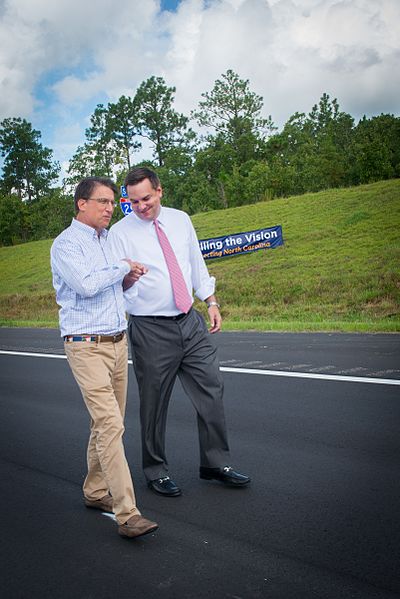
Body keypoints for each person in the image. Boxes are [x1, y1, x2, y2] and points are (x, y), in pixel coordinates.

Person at [108, 167, 250, 497]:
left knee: (212, 388)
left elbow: (194, 262)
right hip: (150, 327)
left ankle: (215, 463)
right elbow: (118, 285)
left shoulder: (180, 219)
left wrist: (211, 301)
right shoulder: (120, 233)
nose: (140, 207)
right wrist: (128, 279)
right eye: (132, 202)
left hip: (190, 320)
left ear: (159, 191)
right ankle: (155, 470)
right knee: (154, 403)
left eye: (146, 198)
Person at [50, 176, 158, 537]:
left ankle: (95, 491)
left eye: (114, 203)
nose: (111, 208)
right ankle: (127, 514)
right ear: (82, 203)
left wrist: (128, 277)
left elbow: (112, 285)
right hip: (85, 345)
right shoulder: (65, 245)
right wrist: (124, 266)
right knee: (112, 425)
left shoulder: (109, 240)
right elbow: (86, 283)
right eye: (104, 202)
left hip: (116, 341)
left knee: (106, 423)